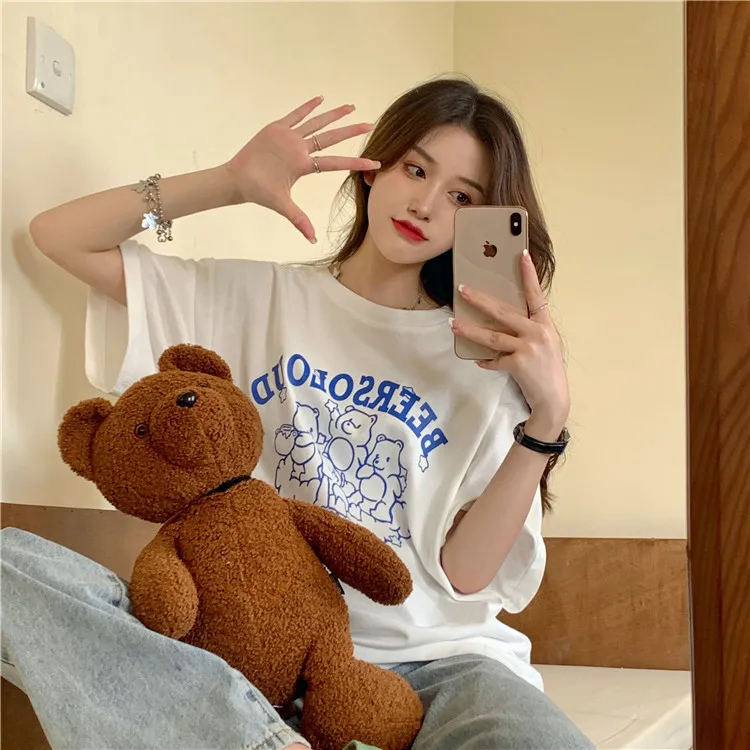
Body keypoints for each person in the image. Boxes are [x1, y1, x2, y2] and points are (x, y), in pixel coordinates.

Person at [3, 74, 594, 750]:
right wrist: (228, 182)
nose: (426, 204)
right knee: (11, 567)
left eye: (462, 196)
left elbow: (463, 576)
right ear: (374, 167)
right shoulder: (250, 298)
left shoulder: (486, 358)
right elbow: (61, 236)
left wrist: (547, 417)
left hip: (443, 667)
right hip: (252, 670)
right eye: (415, 169)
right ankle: (265, 739)